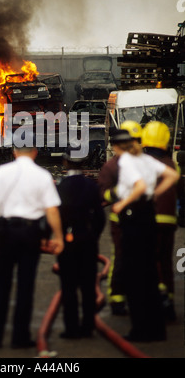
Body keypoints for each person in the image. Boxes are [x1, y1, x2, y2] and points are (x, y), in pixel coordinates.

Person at [0, 139, 64, 349]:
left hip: (5, 233)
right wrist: (58, 237)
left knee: (0, 285)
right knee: (26, 285)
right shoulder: (43, 176)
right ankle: (20, 338)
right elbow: (52, 210)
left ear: (14, 152)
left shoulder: (1, 173)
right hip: (30, 233)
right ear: (34, 153)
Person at [111, 129, 180, 342]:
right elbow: (173, 175)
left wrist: (123, 203)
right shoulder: (146, 159)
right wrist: (155, 194)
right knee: (150, 273)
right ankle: (157, 329)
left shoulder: (127, 162)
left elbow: (139, 186)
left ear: (116, 147)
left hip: (134, 218)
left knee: (134, 276)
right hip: (149, 214)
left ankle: (140, 330)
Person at [56, 147, 105, 339]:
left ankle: (71, 329)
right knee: (87, 286)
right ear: (83, 164)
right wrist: (93, 235)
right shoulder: (91, 186)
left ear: (65, 163)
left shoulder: (61, 187)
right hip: (87, 240)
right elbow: (100, 217)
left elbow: (55, 215)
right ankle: (88, 327)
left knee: (68, 287)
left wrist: (58, 236)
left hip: (67, 242)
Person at [98, 121, 142, 316]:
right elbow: (103, 195)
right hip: (123, 220)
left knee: (131, 259)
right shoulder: (112, 167)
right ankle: (118, 299)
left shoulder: (129, 164)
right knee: (123, 258)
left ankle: (125, 298)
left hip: (135, 218)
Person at [141, 121, 180, 320]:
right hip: (169, 222)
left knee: (151, 260)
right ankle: (169, 302)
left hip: (150, 221)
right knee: (165, 261)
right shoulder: (172, 165)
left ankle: (157, 299)